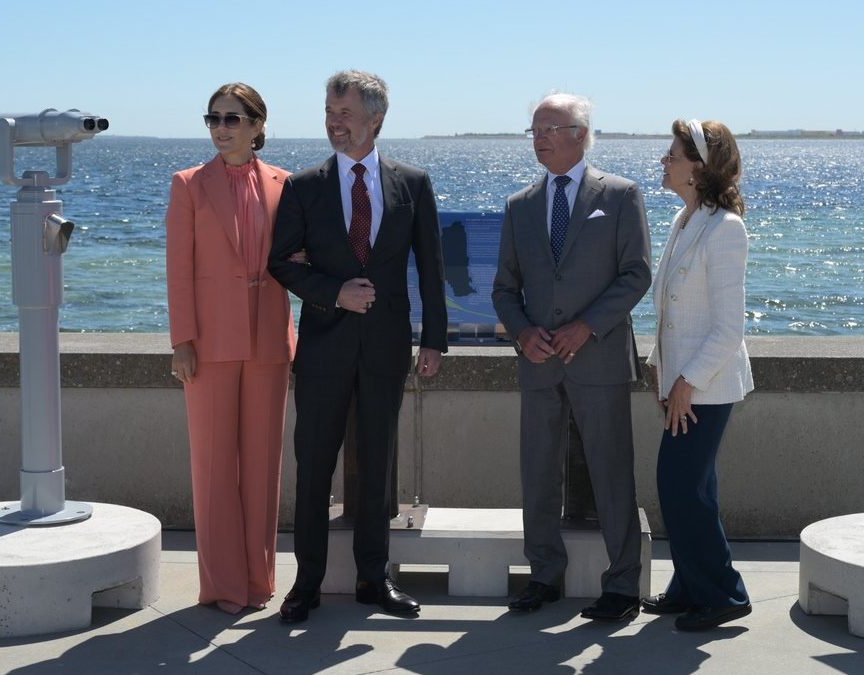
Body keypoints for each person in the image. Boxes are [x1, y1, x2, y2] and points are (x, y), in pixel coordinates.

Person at [268, 69, 448, 623]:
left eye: (344, 113)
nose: (333, 122)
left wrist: (434, 339)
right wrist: (334, 293)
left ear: (375, 119)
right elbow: (279, 263)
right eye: (329, 111)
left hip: (388, 347)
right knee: (315, 465)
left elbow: (431, 266)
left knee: (377, 465)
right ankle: (307, 583)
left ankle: (376, 579)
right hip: (324, 346)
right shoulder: (302, 187)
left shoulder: (412, 183)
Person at [492, 92, 651, 622]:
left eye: (548, 128)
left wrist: (588, 326)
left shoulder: (622, 195)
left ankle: (623, 583)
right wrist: (521, 333)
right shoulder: (520, 206)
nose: (537, 138)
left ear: (579, 133)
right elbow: (503, 289)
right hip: (538, 362)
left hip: (599, 359)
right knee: (537, 473)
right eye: (533, 129)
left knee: (611, 472)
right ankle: (543, 576)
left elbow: (636, 275)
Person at [165, 83, 295, 615]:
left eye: (233, 119)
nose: (221, 128)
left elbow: (299, 260)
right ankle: (222, 584)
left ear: (258, 126)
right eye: (213, 118)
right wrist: (182, 341)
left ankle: (259, 581)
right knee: (214, 467)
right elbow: (178, 271)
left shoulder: (287, 185)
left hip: (268, 342)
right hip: (210, 347)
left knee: (263, 467)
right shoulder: (189, 185)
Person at [641, 119, 754, 631]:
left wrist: (686, 382)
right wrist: (661, 368)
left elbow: (729, 327)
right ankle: (690, 586)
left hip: (706, 387)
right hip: (681, 384)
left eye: (672, 156)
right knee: (691, 487)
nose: (664, 162)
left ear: (698, 168)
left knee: (682, 487)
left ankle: (723, 594)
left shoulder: (726, 228)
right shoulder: (685, 220)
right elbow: (671, 309)